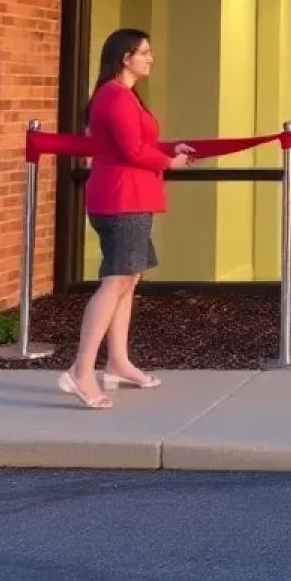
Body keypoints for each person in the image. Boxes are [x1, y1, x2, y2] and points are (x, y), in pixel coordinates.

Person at [58, 28, 194, 408]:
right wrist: (169, 161)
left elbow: (136, 142)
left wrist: (169, 149)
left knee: (128, 280)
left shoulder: (126, 97)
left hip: (132, 197)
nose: (150, 58)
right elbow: (132, 149)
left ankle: (116, 362)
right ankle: (81, 370)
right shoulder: (114, 97)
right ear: (124, 58)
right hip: (120, 199)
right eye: (144, 52)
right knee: (115, 281)